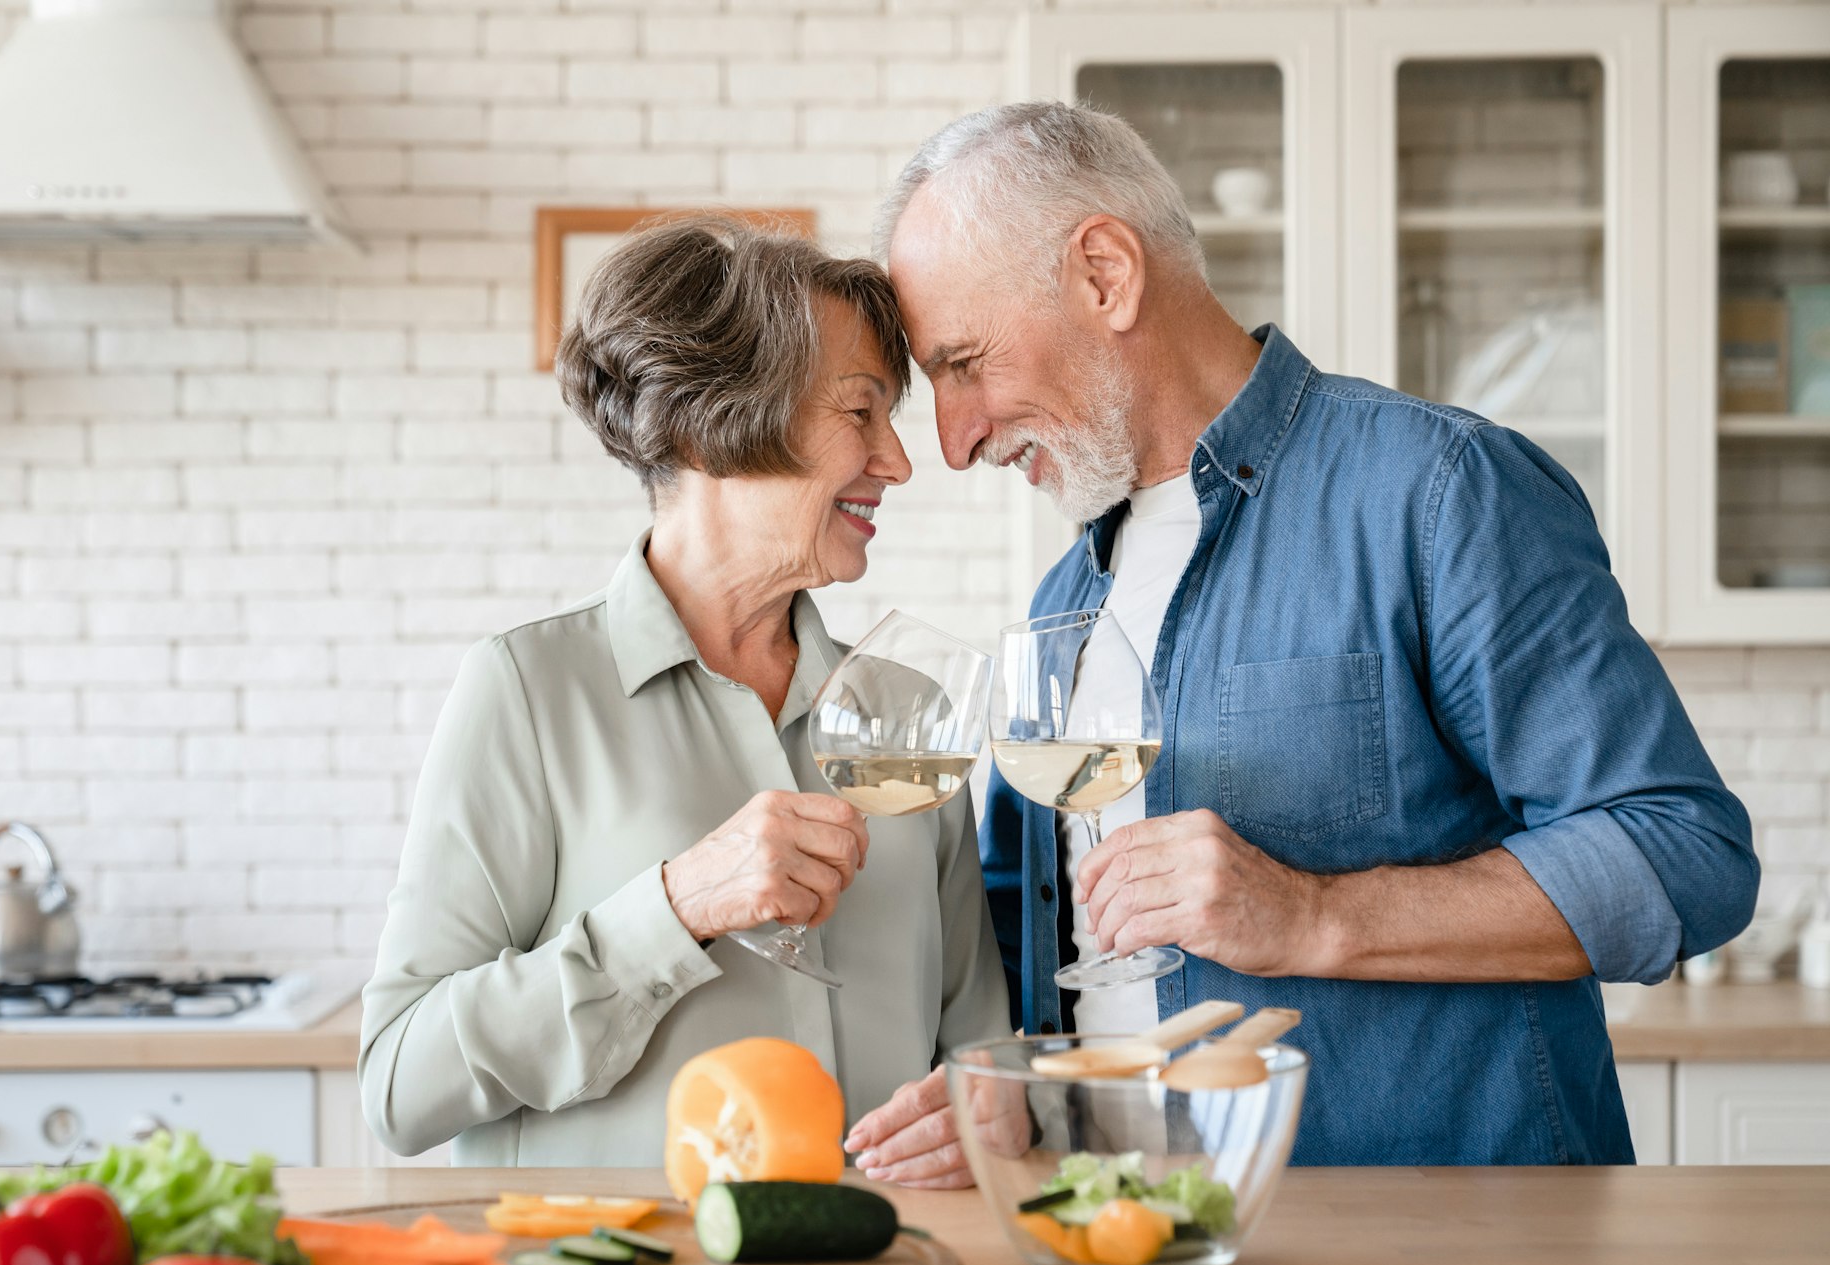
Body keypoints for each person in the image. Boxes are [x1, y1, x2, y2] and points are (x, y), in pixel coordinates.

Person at [852, 102, 1759, 1169]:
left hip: (1446, 1254)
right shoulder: (1064, 596)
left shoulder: (1435, 492)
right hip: (1140, 1237)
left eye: (963, 363)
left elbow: (1683, 853)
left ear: (1103, 274)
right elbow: (1043, 945)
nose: (954, 441)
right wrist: (1019, 1092)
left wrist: (1311, 914)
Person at [360, 217, 1010, 1170]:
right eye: (861, 413)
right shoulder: (530, 694)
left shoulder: (902, 717)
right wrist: (673, 909)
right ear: (716, 425)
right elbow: (398, 1088)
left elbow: (982, 1054)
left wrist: (982, 1110)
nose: (899, 462)